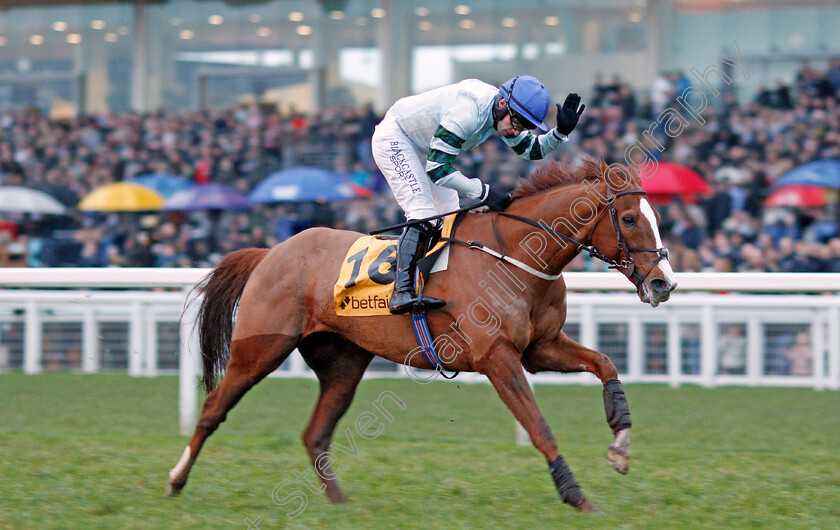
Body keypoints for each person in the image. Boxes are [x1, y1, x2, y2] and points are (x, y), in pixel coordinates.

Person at [372, 75, 585, 314]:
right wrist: (485, 193)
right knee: (423, 212)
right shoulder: (469, 113)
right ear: (503, 104)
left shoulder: (504, 113)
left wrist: (559, 133)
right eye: (517, 123)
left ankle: (433, 286)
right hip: (397, 138)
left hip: (426, 148)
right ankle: (401, 292)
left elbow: (531, 150)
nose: (517, 131)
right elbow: (438, 169)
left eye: (525, 126)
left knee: (448, 218)